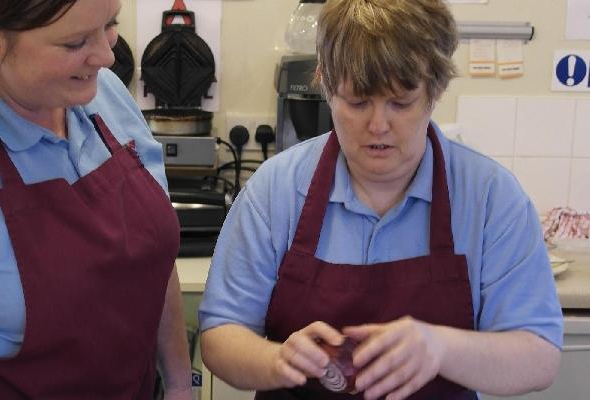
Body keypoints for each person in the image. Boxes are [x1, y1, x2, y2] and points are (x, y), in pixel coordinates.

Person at [198, 0, 563, 399]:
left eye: (400, 102)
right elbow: (220, 335)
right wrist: (276, 360)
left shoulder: (490, 197)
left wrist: (442, 348)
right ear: (325, 85)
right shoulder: (275, 191)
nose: (377, 125)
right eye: (357, 102)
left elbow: (538, 356)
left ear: (435, 90)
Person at [0, 1, 192, 399]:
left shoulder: (104, 92)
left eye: (109, 24)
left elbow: (154, 257)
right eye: (75, 42)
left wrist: (179, 385)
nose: (106, 56)